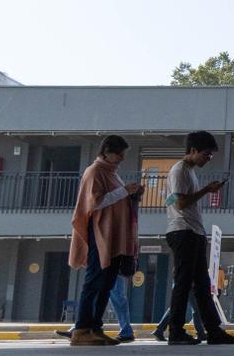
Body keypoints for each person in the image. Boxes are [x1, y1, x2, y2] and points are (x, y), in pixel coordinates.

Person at [163, 132, 234, 345]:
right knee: (184, 283)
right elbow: (179, 203)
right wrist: (207, 190)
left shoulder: (188, 171)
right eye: (206, 154)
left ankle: (213, 330)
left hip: (192, 231)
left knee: (201, 284)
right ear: (193, 150)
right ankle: (176, 331)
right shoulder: (179, 170)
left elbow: (175, 200)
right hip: (183, 231)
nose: (208, 158)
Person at [67, 135, 142, 346]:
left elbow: (115, 199)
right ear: (107, 151)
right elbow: (95, 203)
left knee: (106, 284)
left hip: (114, 237)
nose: (121, 159)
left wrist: (131, 195)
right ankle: (82, 328)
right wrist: (124, 191)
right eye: (119, 154)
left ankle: (95, 327)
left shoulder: (112, 173)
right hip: (100, 235)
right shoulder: (94, 171)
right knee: (94, 281)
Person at [56, 275, 134, 342]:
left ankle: (126, 331)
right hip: (107, 266)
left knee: (116, 297)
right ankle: (82, 328)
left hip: (113, 265)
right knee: (101, 296)